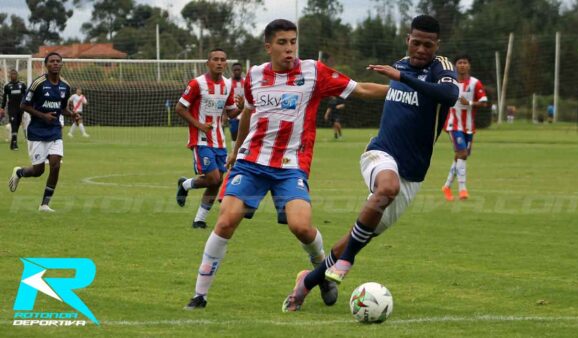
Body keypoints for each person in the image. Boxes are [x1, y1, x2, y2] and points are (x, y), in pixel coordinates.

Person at [184, 19, 389, 311]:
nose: (290, 49)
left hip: (291, 166)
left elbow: (362, 90)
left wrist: (402, 90)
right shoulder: (254, 75)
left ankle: (323, 274)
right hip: (251, 162)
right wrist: (236, 149)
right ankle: (199, 296)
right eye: (282, 43)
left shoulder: (313, 72)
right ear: (268, 47)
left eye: (293, 42)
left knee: (301, 227)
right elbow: (247, 115)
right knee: (226, 221)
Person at [281, 15, 459, 312]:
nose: (420, 50)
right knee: (385, 188)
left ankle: (307, 282)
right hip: (379, 154)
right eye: (415, 43)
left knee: (354, 237)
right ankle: (348, 261)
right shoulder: (399, 64)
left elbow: (450, 96)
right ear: (407, 40)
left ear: (436, 45)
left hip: (412, 176)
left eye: (427, 45)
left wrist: (402, 78)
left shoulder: (441, 68)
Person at [175, 48, 242, 229]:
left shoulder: (228, 85)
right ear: (208, 62)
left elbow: (231, 112)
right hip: (201, 138)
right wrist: (199, 125)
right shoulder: (197, 83)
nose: (219, 62)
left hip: (219, 139)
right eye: (215, 59)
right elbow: (180, 108)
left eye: (222, 59)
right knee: (213, 178)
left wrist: (242, 107)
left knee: (217, 181)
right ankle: (186, 184)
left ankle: (199, 220)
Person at [8, 52, 80, 212]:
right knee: (38, 170)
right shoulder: (38, 83)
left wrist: (72, 114)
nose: (55, 63)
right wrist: (43, 115)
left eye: (58, 61)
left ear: (61, 64)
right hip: (37, 132)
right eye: (52, 61)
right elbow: (24, 105)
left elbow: (62, 108)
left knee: (55, 166)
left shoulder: (65, 86)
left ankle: (45, 204)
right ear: (46, 65)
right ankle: (19, 172)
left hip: (54, 131)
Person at [441, 54, 488, 201]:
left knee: (460, 156)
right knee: (462, 154)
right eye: (459, 63)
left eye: (465, 63)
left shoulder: (475, 83)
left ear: (469, 66)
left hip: (468, 126)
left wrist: (470, 103)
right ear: (455, 66)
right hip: (452, 124)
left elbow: (484, 102)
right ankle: (462, 190)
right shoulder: (450, 83)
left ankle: (447, 186)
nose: (462, 65)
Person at [1, 69, 27, 150]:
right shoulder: (7, 86)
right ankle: (15, 143)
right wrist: (2, 108)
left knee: (17, 125)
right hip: (12, 108)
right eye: (12, 74)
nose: (13, 76)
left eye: (15, 74)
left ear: (17, 75)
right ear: (10, 76)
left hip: (20, 108)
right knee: (14, 123)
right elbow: (5, 98)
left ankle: (12, 143)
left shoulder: (22, 85)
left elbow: (26, 96)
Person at [227, 62, 245, 149]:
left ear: (241, 70)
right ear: (232, 71)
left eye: (238, 70)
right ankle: (234, 152)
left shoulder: (246, 82)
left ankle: (243, 153)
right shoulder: (228, 82)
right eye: (235, 70)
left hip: (244, 112)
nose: (237, 71)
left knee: (245, 134)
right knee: (234, 133)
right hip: (233, 111)